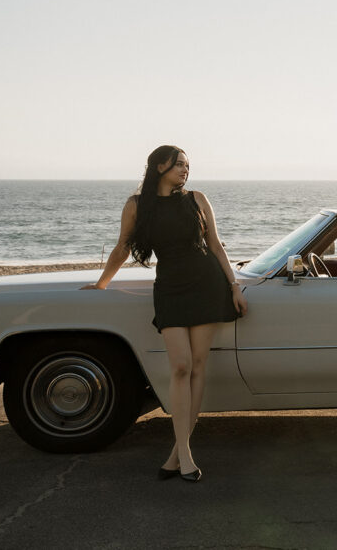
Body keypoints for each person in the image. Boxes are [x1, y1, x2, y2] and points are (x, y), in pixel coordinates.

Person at [82, 145, 248, 482]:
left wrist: (233, 285)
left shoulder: (197, 200)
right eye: (179, 164)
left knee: (198, 366)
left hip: (206, 284)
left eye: (188, 165)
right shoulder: (137, 205)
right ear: (160, 166)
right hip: (170, 287)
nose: (186, 170)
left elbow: (216, 245)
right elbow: (122, 247)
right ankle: (182, 452)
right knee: (181, 366)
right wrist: (101, 284)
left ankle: (179, 453)